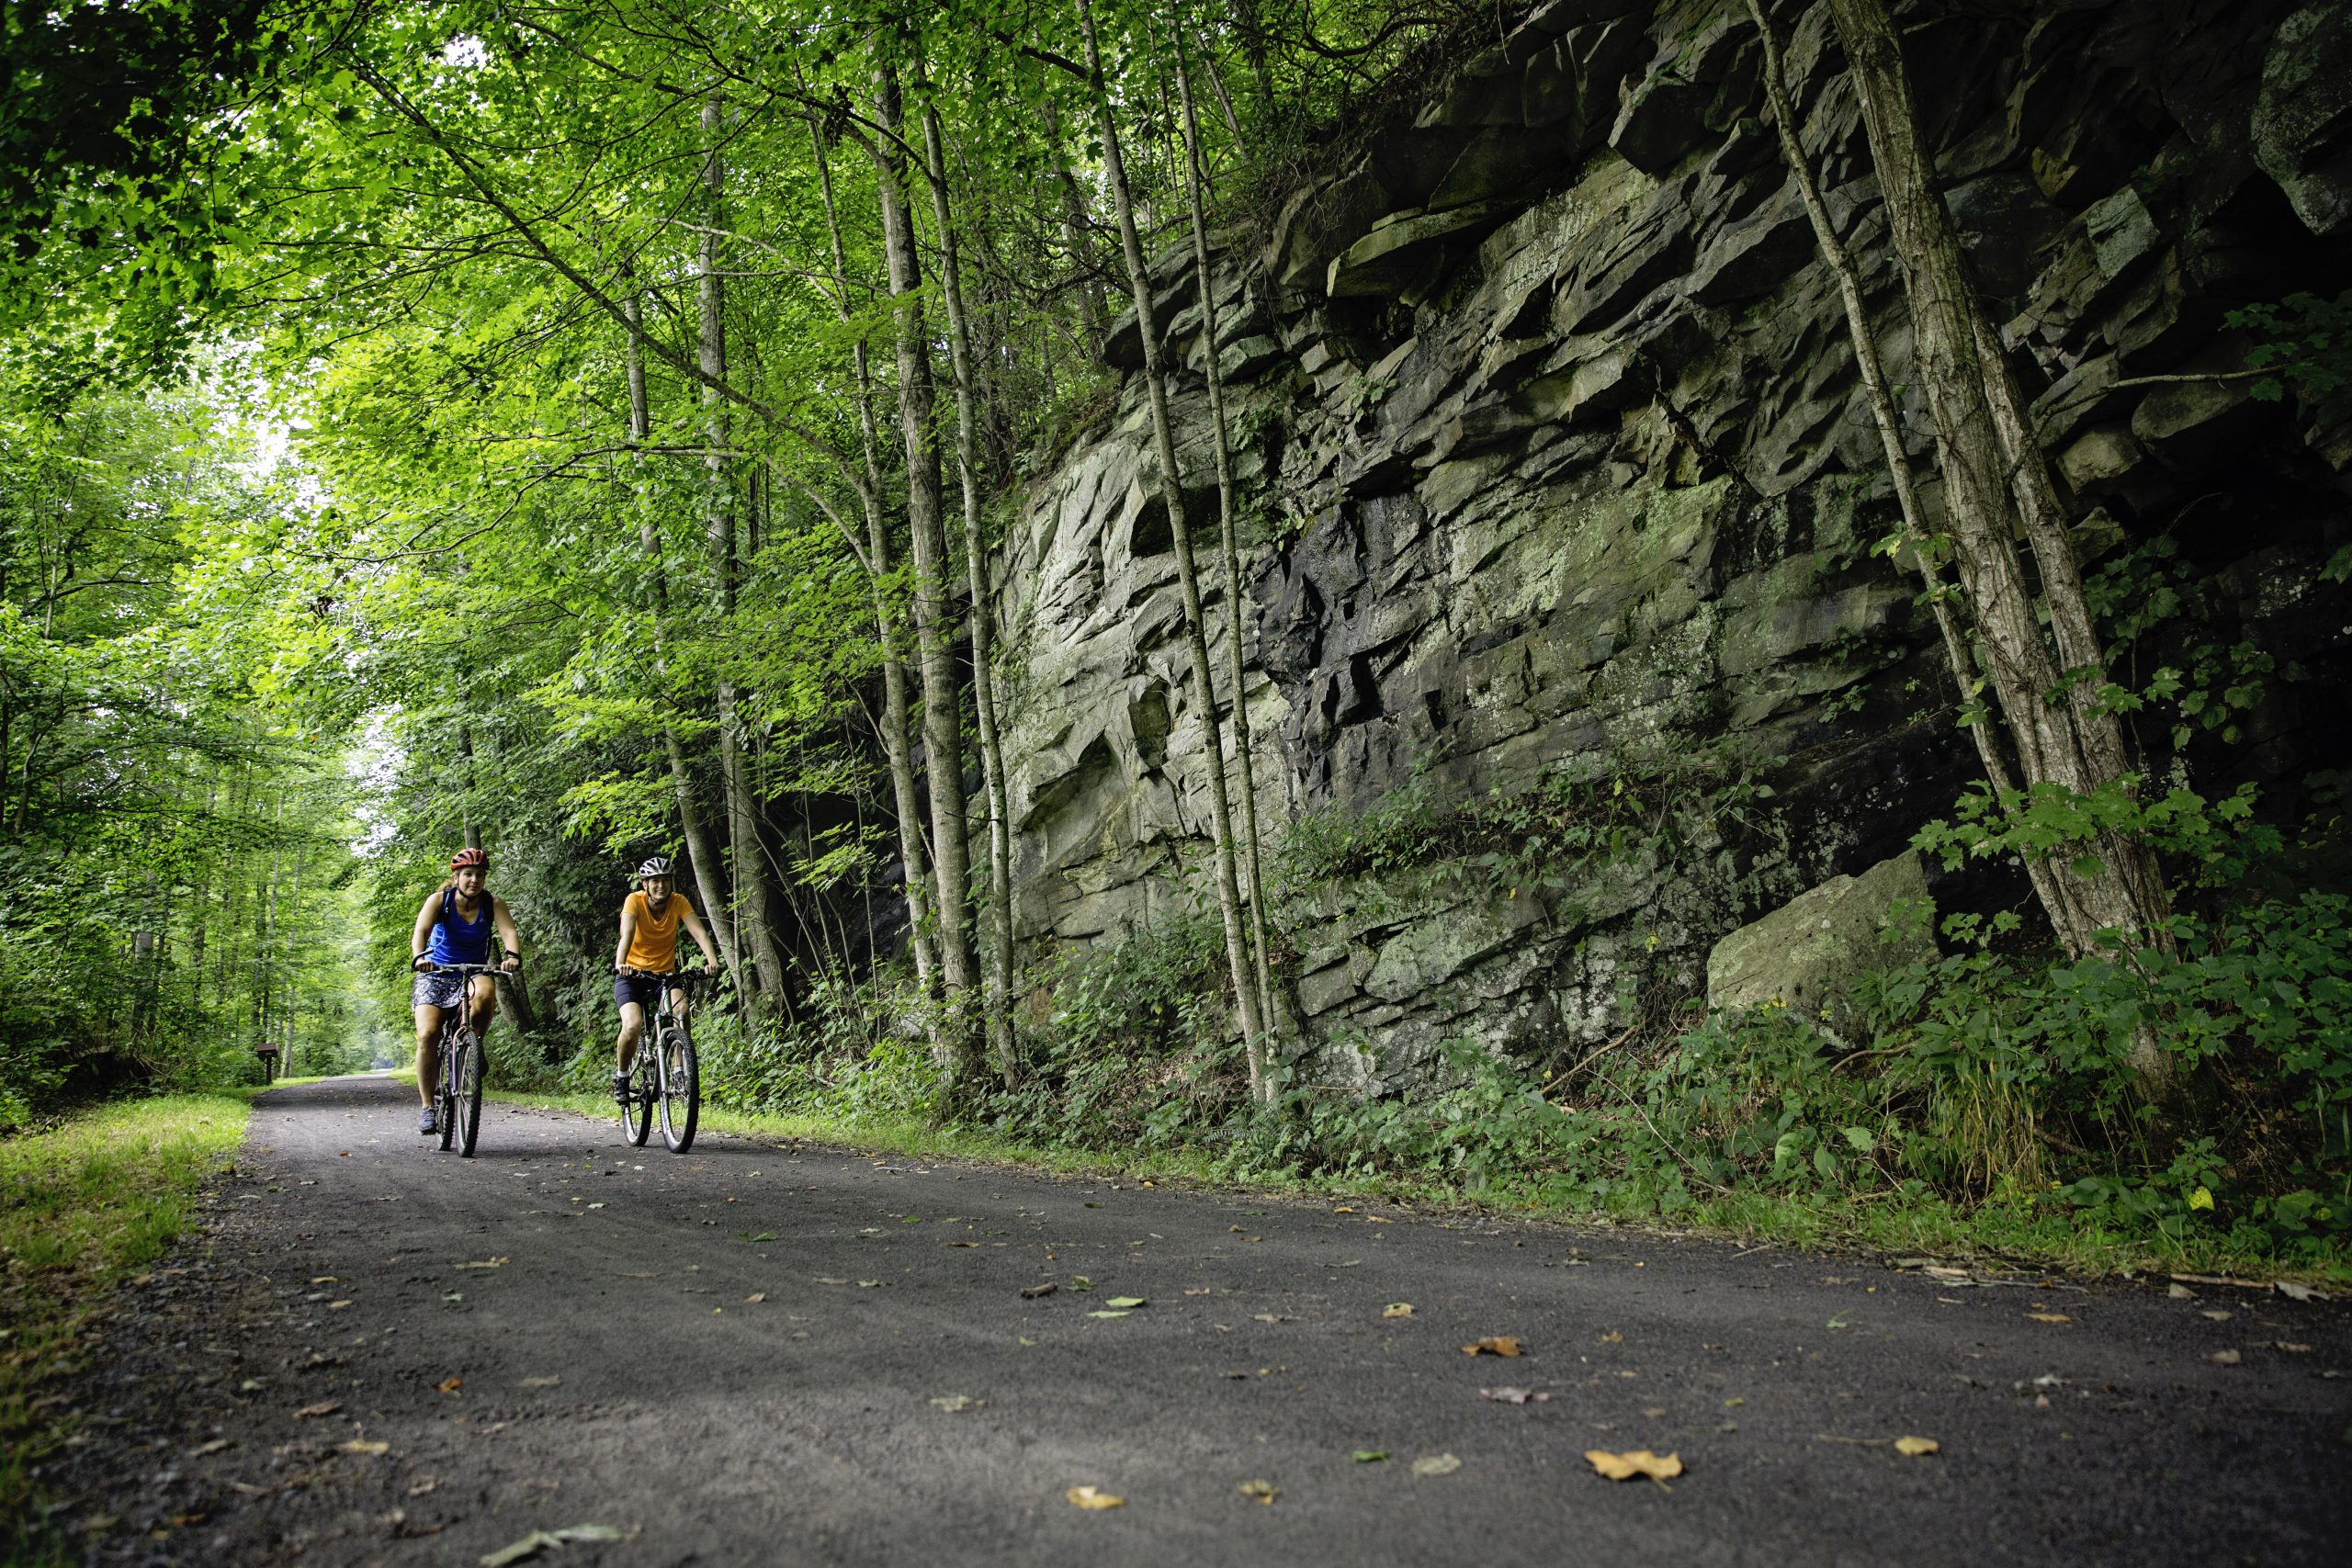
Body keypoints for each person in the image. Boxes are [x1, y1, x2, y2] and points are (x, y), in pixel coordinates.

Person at [409, 848, 522, 1134]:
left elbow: (509, 932)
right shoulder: (440, 900)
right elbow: (420, 931)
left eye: (479, 875)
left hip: (473, 969)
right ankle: (427, 1107)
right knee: (428, 1035)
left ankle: (474, 1045)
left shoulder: (491, 903)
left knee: (486, 993)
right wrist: (421, 957)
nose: (474, 880)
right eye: (468, 874)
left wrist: (512, 956)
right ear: (456, 877)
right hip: (435, 971)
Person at [613, 855, 719, 1102]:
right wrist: (621, 964)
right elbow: (626, 934)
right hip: (632, 975)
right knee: (632, 1025)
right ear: (645, 885)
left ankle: (679, 1070)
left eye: (665, 880)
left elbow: (698, 932)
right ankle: (622, 1076)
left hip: (665, 976)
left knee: (682, 1010)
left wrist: (711, 959)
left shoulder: (678, 902)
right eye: (655, 881)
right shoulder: (634, 901)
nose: (661, 885)